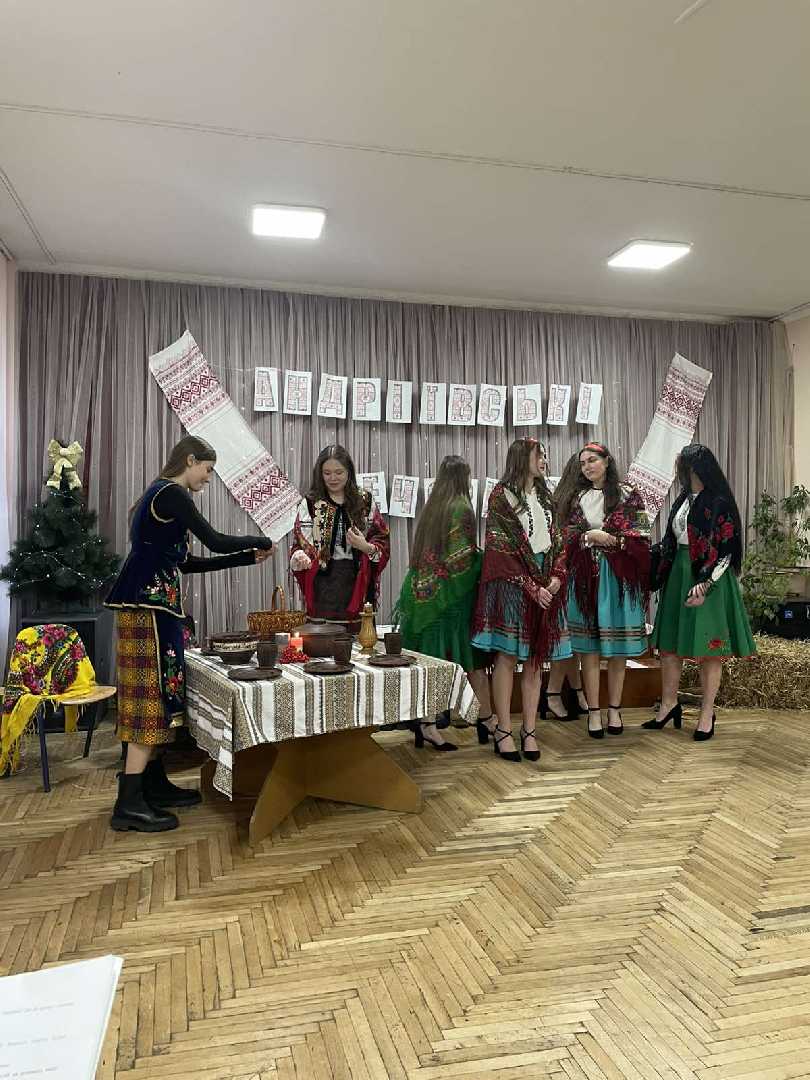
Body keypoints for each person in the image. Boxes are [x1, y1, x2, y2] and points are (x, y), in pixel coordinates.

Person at [105, 436, 273, 831]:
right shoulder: (172, 493)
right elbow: (213, 540)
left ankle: (150, 784)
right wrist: (259, 539)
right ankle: (129, 803)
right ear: (191, 460)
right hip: (148, 608)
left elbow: (187, 563)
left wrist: (246, 558)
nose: (209, 478)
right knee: (150, 699)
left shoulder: (161, 495)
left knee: (161, 695)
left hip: (150, 606)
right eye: (208, 470)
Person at [644, 444, 755, 740]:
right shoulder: (683, 498)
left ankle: (707, 712)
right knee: (669, 647)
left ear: (694, 467)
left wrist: (706, 583)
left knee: (709, 651)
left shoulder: (720, 502)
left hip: (709, 578)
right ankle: (669, 705)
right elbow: (673, 538)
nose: (678, 468)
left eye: (681, 463)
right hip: (679, 574)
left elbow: (728, 550)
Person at [471, 438, 569, 762]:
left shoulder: (546, 496)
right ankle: (503, 729)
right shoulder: (501, 496)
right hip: (512, 586)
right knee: (507, 656)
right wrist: (529, 585)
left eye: (545, 455)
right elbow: (499, 549)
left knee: (535, 659)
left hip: (544, 581)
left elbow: (559, 541)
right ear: (521, 458)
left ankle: (529, 730)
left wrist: (557, 576)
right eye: (539, 455)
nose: (544, 460)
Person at [394, 455, 492, 751]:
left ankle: (427, 724)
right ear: (465, 478)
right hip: (450, 601)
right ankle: (487, 720)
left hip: (422, 596)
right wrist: (488, 561)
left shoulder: (432, 507)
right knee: (472, 663)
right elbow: (461, 560)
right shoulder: (462, 507)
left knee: (431, 665)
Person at [556, 442, 650, 738]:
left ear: (607, 461)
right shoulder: (576, 498)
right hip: (585, 580)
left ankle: (614, 710)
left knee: (618, 649)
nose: (587, 467)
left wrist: (613, 540)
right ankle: (594, 712)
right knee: (589, 650)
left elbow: (641, 536)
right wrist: (588, 536)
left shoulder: (628, 495)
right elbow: (564, 535)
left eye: (593, 460)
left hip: (618, 580)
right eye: (583, 463)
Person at [290, 445, 389, 622]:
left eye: (339, 472)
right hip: (322, 582)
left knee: (359, 634)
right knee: (323, 634)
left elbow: (382, 539)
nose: (333, 478)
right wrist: (300, 556)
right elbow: (299, 543)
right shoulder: (311, 503)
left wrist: (366, 547)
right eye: (327, 473)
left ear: (349, 472)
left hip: (357, 581)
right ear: (320, 474)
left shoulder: (364, 501)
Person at [541, 453, 588, 722]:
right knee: (566, 640)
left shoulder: (561, 498)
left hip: (573, 575)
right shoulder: (571, 501)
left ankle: (575, 691)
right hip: (566, 576)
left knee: (573, 641)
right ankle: (553, 693)